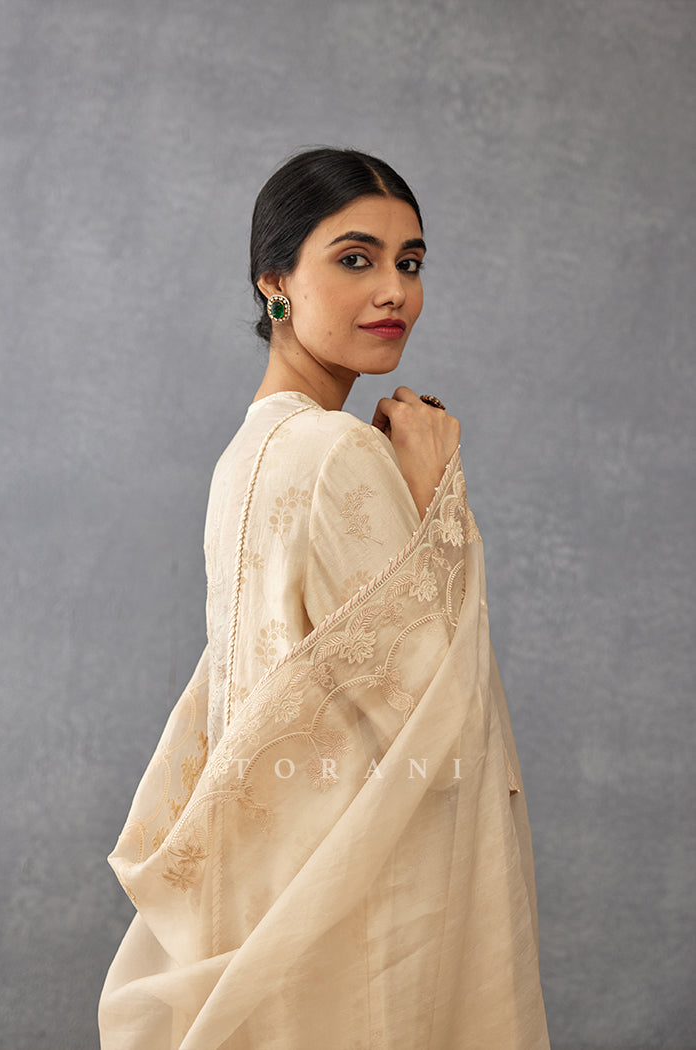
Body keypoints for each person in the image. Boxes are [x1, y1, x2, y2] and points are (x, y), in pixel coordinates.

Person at [99, 148, 550, 1049]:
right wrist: (436, 494)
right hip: (355, 905)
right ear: (275, 283)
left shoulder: (245, 454)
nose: (393, 292)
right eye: (354, 259)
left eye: (409, 263)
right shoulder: (337, 452)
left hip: (265, 887)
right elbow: (439, 717)